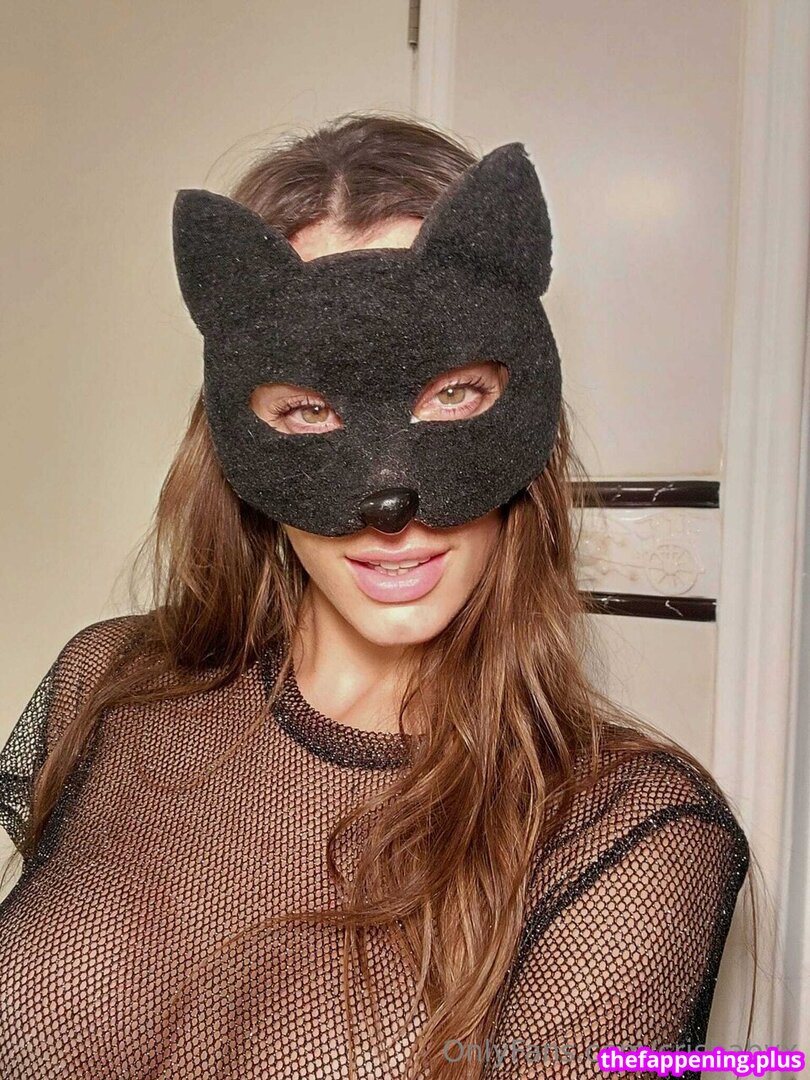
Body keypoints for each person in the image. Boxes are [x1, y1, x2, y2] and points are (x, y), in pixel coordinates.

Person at [0, 113, 753, 1080]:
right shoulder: (110, 684)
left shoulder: (629, 834)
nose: (388, 502)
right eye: (310, 410)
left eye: (452, 395)